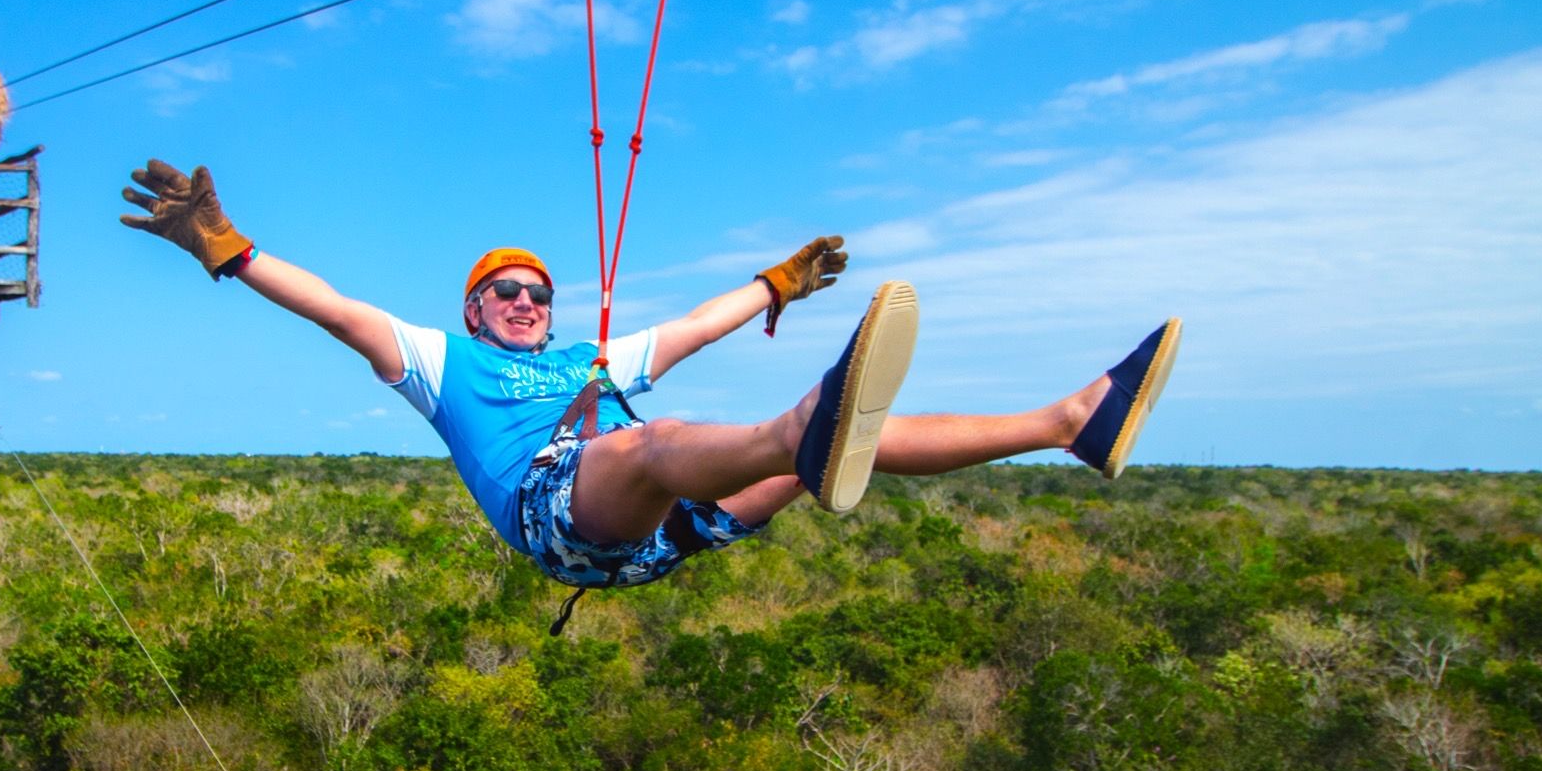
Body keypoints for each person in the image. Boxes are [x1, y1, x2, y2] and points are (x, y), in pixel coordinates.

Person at [120, 160, 1181, 597]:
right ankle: (800, 429)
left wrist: (776, 284)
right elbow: (338, 308)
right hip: (564, 524)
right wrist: (228, 247)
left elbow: (691, 329)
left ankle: (1068, 420)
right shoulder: (443, 364)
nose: (528, 303)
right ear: (475, 311)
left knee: (836, 448)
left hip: (665, 534)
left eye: (538, 293)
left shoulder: (593, 361)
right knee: (659, 445)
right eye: (508, 294)